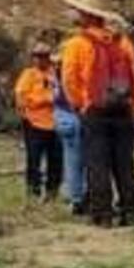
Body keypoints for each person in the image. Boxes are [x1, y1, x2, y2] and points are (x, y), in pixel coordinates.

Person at [60, 0, 134, 227]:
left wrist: (80, 105)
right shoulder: (122, 42)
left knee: (97, 162)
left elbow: (69, 80)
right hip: (122, 109)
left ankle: (102, 213)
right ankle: (129, 210)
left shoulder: (77, 44)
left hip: (95, 110)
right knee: (124, 162)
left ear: (85, 14)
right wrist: (133, 103)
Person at [14, 42, 63, 201]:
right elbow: (22, 98)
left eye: (44, 56)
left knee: (56, 160)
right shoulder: (28, 75)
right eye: (37, 56)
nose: (40, 60)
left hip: (55, 123)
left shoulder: (54, 73)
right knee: (34, 159)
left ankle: (52, 191)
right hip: (34, 123)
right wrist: (44, 100)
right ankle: (33, 191)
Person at [52, 48, 86, 215]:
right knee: (79, 161)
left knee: (71, 160)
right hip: (76, 118)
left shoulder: (57, 80)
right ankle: (80, 195)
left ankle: (75, 196)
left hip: (64, 120)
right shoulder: (72, 78)